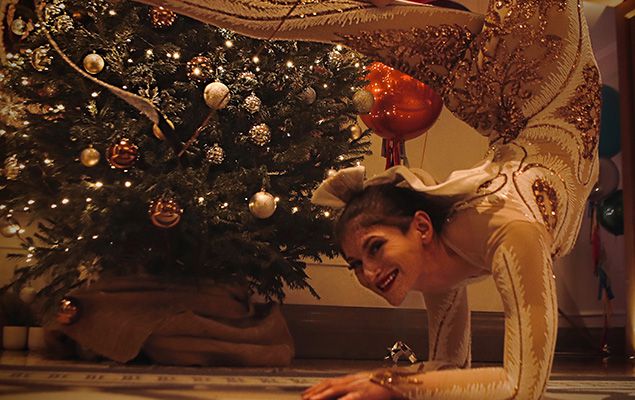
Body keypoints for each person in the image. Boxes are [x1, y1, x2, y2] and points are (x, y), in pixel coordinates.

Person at [132, 0, 600, 398]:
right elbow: (458, 369)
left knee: (306, 18)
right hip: (523, 94)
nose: (369, 274)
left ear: (420, 226)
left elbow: (522, 386)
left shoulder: (506, 230)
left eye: (373, 249)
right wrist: (385, 381)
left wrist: (390, 384)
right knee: (301, 17)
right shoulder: (458, 249)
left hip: (530, 75)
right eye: (357, 263)